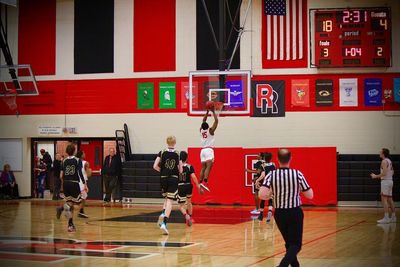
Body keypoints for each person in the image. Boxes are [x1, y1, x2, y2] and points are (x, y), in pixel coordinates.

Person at [259, 149, 314, 267]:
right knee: (296, 245)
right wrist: (298, 190)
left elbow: (261, 195)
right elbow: (310, 195)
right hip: (295, 212)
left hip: (280, 214)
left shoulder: (271, 175)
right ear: (291, 159)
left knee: (289, 244)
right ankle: (282, 265)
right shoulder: (297, 174)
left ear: (277, 160)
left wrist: (271, 194)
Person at [153, 135, 183, 235]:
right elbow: (181, 170)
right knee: (170, 201)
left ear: (167, 142)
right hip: (173, 178)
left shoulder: (161, 152)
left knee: (166, 198)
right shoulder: (178, 153)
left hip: (163, 178)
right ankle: (164, 224)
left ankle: (162, 213)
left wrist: (162, 171)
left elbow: (154, 166)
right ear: (175, 143)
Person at [56, 144, 86, 232]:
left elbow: (61, 175)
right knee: (79, 204)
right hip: (74, 183)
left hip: (66, 184)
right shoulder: (77, 160)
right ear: (74, 151)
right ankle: (62, 209)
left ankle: (70, 225)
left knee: (70, 204)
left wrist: (64, 184)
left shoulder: (64, 160)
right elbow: (80, 173)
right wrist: (84, 184)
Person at [371, 148, 396, 224]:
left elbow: (384, 173)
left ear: (383, 153)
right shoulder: (389, 161)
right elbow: (393, 172)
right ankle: (393, 217)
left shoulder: (384, 161)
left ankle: (386, 218)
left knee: (384, 200)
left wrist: (375, 176)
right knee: (390, 200)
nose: (379, 153)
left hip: (385, 182)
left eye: (380, 152)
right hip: (390, 181)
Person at [177, 151, 201, 226]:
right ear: (187, 158)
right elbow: (193, 177)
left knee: (181, 205)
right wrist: (198, 185)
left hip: (180, 186)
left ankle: (186, 215)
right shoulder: (189, 166)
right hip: (188, 186)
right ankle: (190, 217)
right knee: (189, 202)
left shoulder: (177, 167)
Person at [199, 108, 218, 192]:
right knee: (209, 167)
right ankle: (205, 182)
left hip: (202, 151)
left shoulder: (201, 130)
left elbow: (204, 120)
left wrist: (207, 111)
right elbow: (216, 121)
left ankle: (200, 182)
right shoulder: (210, 131)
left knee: (203, 167)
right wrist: (213, 112)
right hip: (208, 150)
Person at [255, 152, 276, 222]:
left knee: (263, 199)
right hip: (272, 183)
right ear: (270, 158)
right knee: (270, 199)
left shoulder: (263, 165)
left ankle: (261, 214)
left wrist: (257, 180)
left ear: (264, 158)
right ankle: (270, 211)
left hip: (266, 184)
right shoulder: (273, 164)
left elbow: (263, 175)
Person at [76, 150, 92, 218]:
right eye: (84, 153)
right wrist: (90, 170)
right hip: (81, 183)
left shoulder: (75, 162)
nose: (85, 154)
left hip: (76, 182)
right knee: (83, 197)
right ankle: (79, 212)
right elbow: (88, 174)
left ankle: (81, 211)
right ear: (81, 155)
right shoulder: (86, 163)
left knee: (79, 198)